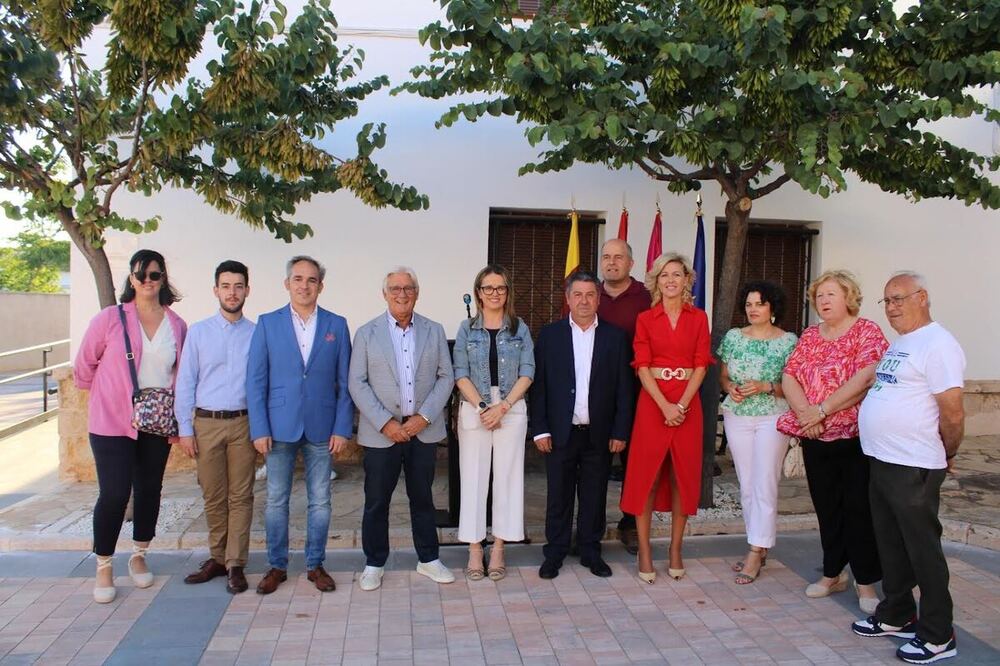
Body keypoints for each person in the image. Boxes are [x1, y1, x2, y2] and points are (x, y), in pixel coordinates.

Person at [852, 271, 965, 664]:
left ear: (923, 297)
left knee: (922, 550)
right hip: (883, 458)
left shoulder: (939, 344)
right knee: (891, 544)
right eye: (887, 300)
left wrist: (946, 451)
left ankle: (938, 634)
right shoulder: (904, 343)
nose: (893, 307)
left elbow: (952, 411)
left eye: (900, 297)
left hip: (914, 463)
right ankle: (898, 613)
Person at [74, 249, 187, 603]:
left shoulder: (177, 324)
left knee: (150, 489)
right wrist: (110, 396)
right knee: (115, 493)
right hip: (111, 422)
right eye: (141, 275)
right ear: (132, 280)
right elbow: (83, 366)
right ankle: (104, 563)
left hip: (156, 419)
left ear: (163, 278)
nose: (148, 281)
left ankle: (139, 555)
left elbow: (179, 375)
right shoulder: (110, 319)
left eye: (154, 275)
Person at [777, 269, 888, 613]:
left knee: (858, 509)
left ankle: (866, 582)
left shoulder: (866, 331)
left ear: (849, 297)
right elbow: (790, 375)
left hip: (854, 437)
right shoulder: (810, 335)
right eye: (819, 295)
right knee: (826, 508)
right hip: (814, 435)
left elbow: (867, 376)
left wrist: (821, 410)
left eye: (831, 294)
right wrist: (805, 413)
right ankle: (832, 573)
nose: (823, 301)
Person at [246, 256, 353, 595]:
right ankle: (277, 565)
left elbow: (345, 383)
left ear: (320, 286)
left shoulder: (337, 324)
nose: (304, 285)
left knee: (320, 500)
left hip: (323, 427)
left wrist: (342, 427)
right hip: (278, 427)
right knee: (276, 499)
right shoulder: (267, 323)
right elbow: (255, 380)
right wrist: (259, 428)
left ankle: (315, 564)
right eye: (298, 279)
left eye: (311, 280)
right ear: (287, 283)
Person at [349, 267, 456, 591]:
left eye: (408, 287)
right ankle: (374, 562)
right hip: (382, 434)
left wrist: (422, 418)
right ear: (385, 293)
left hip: (422, 431)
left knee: (423, 497)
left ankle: (428, 559)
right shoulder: (366, 333)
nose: (402, 293)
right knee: (376, 501)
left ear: (417, 293)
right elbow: (357, 382)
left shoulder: (433, 330)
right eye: (395, 288)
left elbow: (445, 377)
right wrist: (385, 422)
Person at [530, 270, 633, 580]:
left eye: (590, 295)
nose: (584, 300)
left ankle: (590, 551)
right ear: (568, 298)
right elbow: (540, 387)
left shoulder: (615, 337)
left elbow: (624, 389)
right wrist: (541, 428)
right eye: (578, 294)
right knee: (558, 496)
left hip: (599, 434)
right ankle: (555, 552)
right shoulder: (550, 335)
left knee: (594, 495)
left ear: (598, 299)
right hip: (560, 433)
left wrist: (620, 430)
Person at [621, 253, 711, 583]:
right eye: (664, 275)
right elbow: (641, 365)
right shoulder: (646, 319)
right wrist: (664, 406)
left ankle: (675, 549)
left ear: (687, 280)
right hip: (653, 403)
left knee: (681, 476)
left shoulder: (699, 318)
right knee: (647, 475)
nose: (671, 280)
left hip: (688, 404)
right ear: (655, 281)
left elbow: (702, 363)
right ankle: (645, 550)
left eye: (677, 274)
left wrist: (682, 405)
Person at [174, 260, 256, 594]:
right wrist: (185, 428)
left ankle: (236, 563)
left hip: (244, 423)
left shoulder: (256, 333)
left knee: (241, 495)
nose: (232, 292)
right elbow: (186, 381)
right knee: (213, 494)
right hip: (206, 423)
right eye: (226, 286)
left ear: (247, 291)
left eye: (238, 286)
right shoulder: (199, 331)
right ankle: (217, 558)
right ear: (216, 290)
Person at [453, 265, 534, 582]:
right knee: (473, 477)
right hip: (475, 405)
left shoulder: (520, 328)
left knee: (507, 478)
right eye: (488, 288)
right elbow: (460, 372)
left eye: (500, 288)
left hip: (511, 406)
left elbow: (528, 371)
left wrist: (503, 407)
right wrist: (484, 406)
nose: (494, 293)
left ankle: (499, 545)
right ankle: (475, 547)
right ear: (478, 292)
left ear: (507, 292)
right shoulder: (466, 328)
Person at [718, 281, 797, 584]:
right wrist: (731, 388)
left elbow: (794, 386)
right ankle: (759, 543)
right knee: (747, 482)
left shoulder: (788, 341)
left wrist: (767, 386)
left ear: (772, 308)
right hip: (737, 415)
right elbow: (723, 376)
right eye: (749, 304)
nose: (753, 309)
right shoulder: (734, 337)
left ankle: (755, 550)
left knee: (765, 482)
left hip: (772, 416)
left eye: (759, 304)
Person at [596, 238, 651, 555]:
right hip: (595, 396)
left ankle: (630, 523)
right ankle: (593, 524)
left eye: (618, 257)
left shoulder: (646, 297)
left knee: (635, 464)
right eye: (606, 257)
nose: (611, 262)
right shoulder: (590, 294)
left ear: (631, 263)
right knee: (595, 464)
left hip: (638, 392)